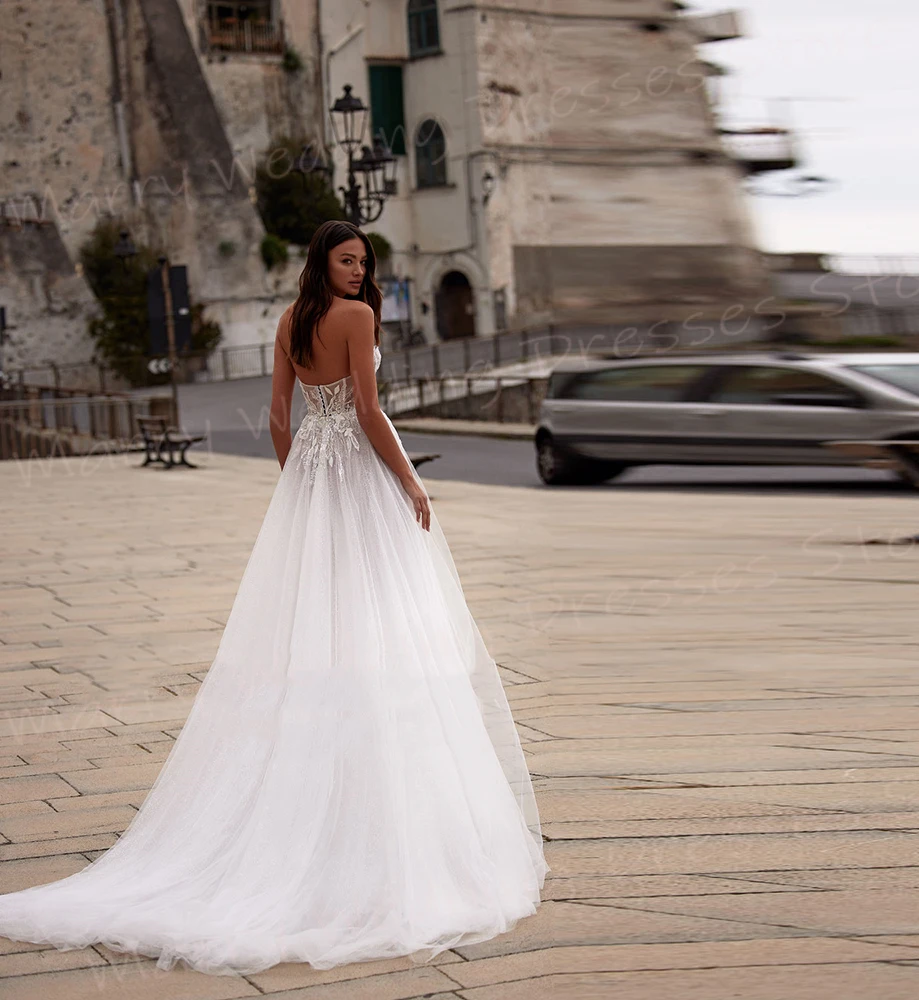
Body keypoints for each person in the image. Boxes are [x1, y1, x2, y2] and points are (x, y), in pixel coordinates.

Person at [0, 221, 548, 976]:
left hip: (314, 485)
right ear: (323, 263)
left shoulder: (295, 320)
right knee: (383, 616)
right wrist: (409, 480)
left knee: (320, 621)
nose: (360, 272)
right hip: (357, 481)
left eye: (364, 262)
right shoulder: (355, 319)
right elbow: (367, 412)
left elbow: (278, 420)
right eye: (348, 259)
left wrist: (301, 484)